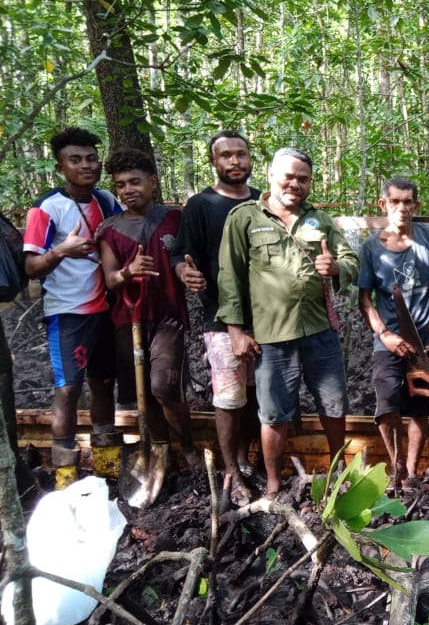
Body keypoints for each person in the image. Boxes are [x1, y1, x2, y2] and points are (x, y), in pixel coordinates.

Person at [217, 147, 358, 498]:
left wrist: (337, 268)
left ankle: (338, 471)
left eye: (303, 179)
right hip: (272, 336)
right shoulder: (245, 218)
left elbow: (350, 259)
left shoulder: (319, 220)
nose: (295, 184)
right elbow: (229, 278)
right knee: (274, 413)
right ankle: (274, 484)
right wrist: (235, 331)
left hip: (319, 331)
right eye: (289, 176)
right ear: (271, 175)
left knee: (334, 405)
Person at [23, 127, 122, 488]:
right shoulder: (46, 208)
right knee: (67, 389)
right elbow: (31, 267)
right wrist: (62, 250)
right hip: (67, 312)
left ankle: (108, 467)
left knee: (103, 383)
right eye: (75, 160)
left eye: (91, 159)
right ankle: (65, 473)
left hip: (106, 310)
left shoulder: (107, 201)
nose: (86, 166)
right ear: (60, 166)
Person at [171, 131, 261, 508]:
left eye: (241, 154)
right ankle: (230, 472)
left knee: (257, 395)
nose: (234, 161)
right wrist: (183, 273)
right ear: (214, 162)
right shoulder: (200, 205)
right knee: (227, 397)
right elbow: (181, 256)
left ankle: (245, 456)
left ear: (251, 159)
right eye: (226, 156)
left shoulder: (263, 201)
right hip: (221, 317)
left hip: (269, 319)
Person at [96, 147, 200, 472]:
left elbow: (186, 256)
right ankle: (161, 455)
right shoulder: (110, 230)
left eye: (135, 182)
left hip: (168, 316)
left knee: (164, 387)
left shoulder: (173, 218)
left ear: (152, 182)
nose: (128, 190)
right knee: (145, 392)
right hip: (128, 321)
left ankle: (189, 445)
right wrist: (129, 272)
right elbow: (111, 279)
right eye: (121, 185)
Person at [358, 177, 429, 490]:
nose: (402, 208)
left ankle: (410, 473)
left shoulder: (428, 236)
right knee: (387, 406)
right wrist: (384, 334)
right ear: (384, 205)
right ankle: (396, 464)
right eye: (395, 201)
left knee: (421, 406)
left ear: (416, 205)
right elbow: (365, 299)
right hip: (389, 343)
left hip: (425, 342)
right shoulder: (371, 247)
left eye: (408, 201)